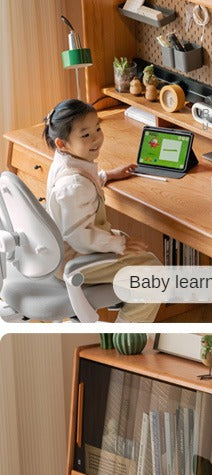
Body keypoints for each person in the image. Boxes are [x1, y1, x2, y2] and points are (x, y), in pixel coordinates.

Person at [43, 99, 160, 321]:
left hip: (63, 252)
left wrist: (106, 176)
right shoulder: (75, 185)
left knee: (144, 257)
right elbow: (79, 235)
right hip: (75, 259)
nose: (96, 137)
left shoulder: (64, 162)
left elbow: (79, 192)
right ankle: (126, 334)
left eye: (98, 128)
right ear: (62, 143)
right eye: (85, 135)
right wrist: (119, 245)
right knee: (153, 274)